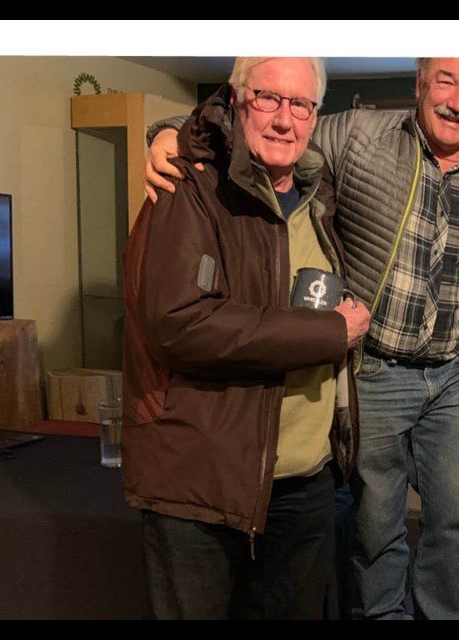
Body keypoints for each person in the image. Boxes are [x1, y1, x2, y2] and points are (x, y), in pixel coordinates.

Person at [143, 58, 459, 620]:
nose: (458, 101)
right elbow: (272, 125)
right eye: (445, 80)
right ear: (420, 83)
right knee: (376, 526)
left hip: (448, 378)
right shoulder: (359, 136)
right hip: (375, 368)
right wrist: (169, 131)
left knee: (457, 521)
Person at [121, 57, 371, 620]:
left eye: (300, 105)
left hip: (303, 484)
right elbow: (182, 325)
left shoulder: (318, 195)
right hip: (201, 482)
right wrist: (330, 332)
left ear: (314, 116)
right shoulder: (187, 183)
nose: (285, 119)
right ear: (235, 99)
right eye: (268, 98)